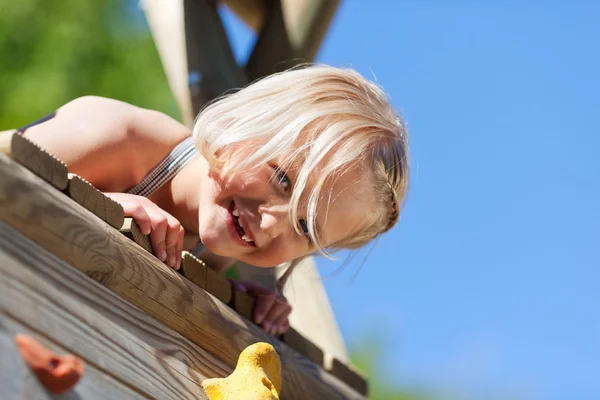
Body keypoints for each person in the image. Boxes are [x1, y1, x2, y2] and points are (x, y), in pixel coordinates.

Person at [20, 65, 409, 336]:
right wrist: (96, 202)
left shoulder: (220, 247)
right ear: (243, 125)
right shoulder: (118, 137)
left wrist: (227, 297)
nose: (271, 223)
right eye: (283, 179)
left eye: (305, 227)